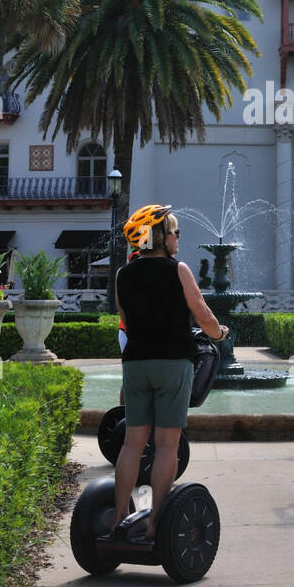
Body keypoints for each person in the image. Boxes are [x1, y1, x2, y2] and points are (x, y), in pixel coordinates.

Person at [111, 203, 230, 540]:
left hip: (135, 364)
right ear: (161, 237)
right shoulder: (179, 270)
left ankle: (118, 515)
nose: (178, 237)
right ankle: (155, 524)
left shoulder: (124, 274)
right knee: (166, 446)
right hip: (172, 364)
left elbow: (126, 316)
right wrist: (219, 334)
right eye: (175, 231)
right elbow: (203, 314)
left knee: (132, 445)